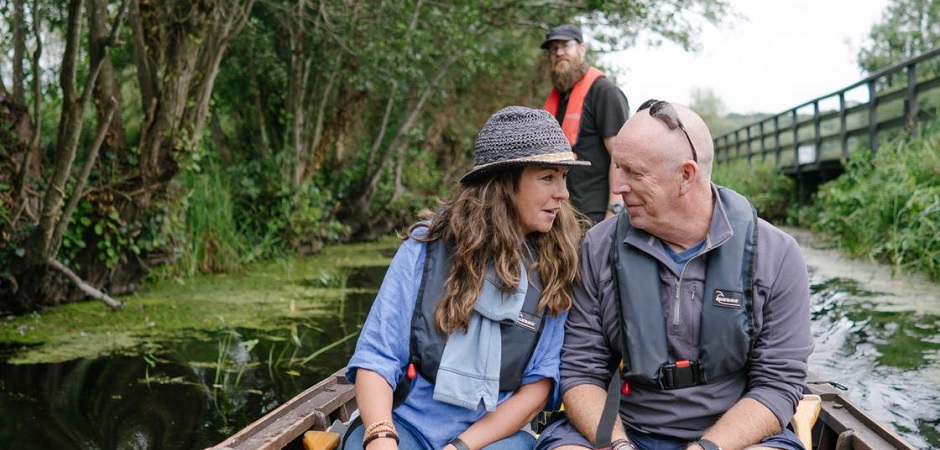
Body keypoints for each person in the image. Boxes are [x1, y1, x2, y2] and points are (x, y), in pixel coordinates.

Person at [535, 100, 814, 450]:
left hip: (733, 441)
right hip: (623, 430)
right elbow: (581, 373)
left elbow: (777, 384)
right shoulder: (597, 246)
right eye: (616, 168)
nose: (618, 186)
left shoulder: (778, 255)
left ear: (685, 175)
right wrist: (618, 446)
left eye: (634, 173)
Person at [344, 106, 589, 450]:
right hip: (405, 424)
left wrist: (460, 447)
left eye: (564, 177)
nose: (563, 193)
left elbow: (538, 387)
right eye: (548, 177)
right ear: (505, 183)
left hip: (494, 436)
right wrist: (381, 435)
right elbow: (377, 358)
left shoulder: (556, 264)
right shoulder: (424, 249)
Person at [540, 24, 630, 223]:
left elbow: (621, 157)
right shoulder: (558, 97)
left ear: (582, 48)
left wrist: (614, 211)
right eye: (553, 49)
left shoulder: (604, 92)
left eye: (565, 46)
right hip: (561, 213)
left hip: (595, 215)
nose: (559, 53)